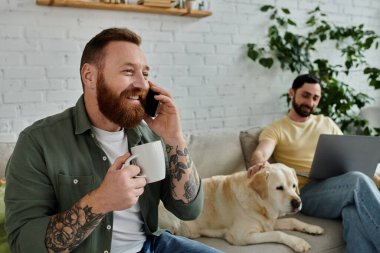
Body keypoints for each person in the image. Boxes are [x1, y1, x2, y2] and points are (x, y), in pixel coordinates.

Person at [5, 27, 222, 253]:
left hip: (151, 246)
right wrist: (101, 201)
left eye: (145, 74)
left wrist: (174, 137)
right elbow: (23, 244)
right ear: (90, 76)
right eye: (128, 71)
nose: (142, 84)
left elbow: (189, 210)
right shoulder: (38, 142)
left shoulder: (150, 135)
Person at [248, 74, 380, 253]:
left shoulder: (327, 122)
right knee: (357, 181)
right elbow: (260, 153)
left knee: (352, 210)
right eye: (305, 95)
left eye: (315, 98)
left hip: (337, 186)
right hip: (307, 194)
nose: (310, 102)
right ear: (292, 93)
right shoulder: (276, 128)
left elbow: (349, 155)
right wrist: (259, 164)